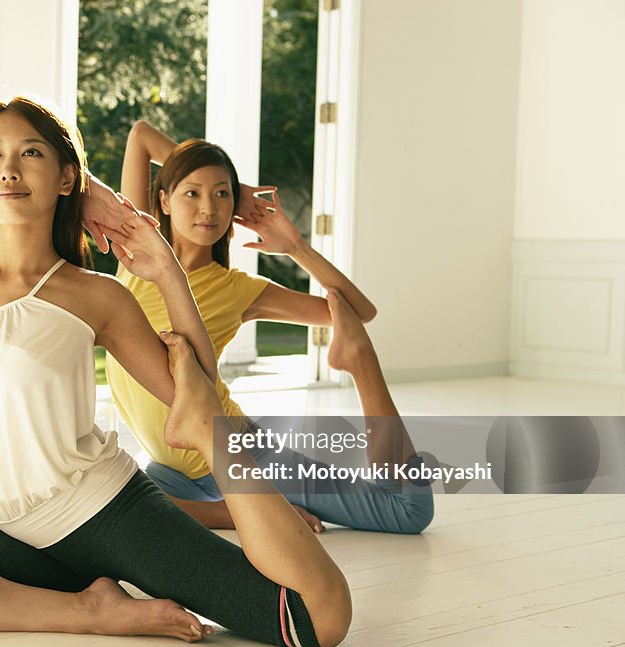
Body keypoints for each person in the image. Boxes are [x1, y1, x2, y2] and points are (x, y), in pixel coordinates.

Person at [0, 93, 352, 647]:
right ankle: (92, 610)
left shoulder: (94, 294)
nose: (8, 169)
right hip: (26, 532)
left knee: (316, 619)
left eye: (31, 153)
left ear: (65, 178)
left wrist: (165, 271)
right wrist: (95, 197)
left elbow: (198, 394)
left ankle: (225, 509)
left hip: (105, 512)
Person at [106, 120, 433, 534]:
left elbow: (356, 311)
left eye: (221, 195)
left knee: (408, 511)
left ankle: (359, 362)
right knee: (118, 508)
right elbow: (139, 135)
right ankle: (239, 514)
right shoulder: (137, 249)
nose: (209, 208)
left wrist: (295, 246)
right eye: (192, 193)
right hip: (175, 469)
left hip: (239, 453)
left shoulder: (238, 289)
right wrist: (233, 186)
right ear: (164, 201)